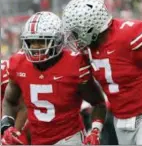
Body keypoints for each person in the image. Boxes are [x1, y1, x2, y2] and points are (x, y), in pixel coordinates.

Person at [62, 0, 142, 145]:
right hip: (121, 121)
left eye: (76, 31)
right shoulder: (87, 51)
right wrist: (95, 129)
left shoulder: (128, 36)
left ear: (91, 26)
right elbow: (95, 99)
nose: (74, 37)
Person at [1, 11, 106, 145]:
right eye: (31, 41)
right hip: (38, 139)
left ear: (58, 40)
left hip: (68, 137)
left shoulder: (75, 64)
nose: (34, 47)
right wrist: (7, 125)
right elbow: (10, 101)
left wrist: (95, 131)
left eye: (41, 41)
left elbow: (98, 103)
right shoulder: (18, 63)